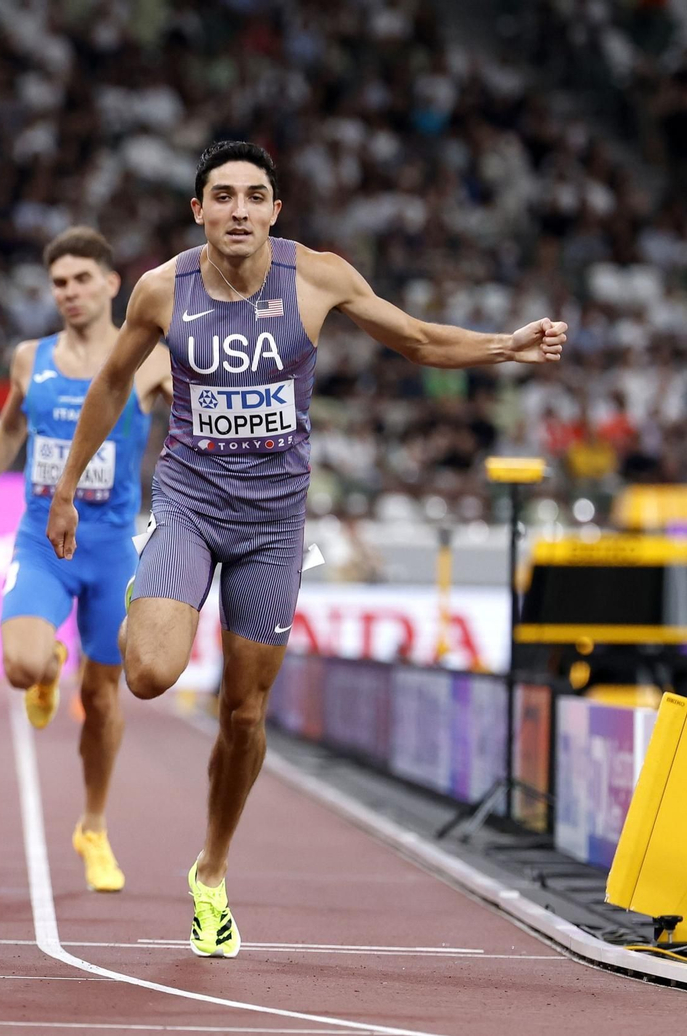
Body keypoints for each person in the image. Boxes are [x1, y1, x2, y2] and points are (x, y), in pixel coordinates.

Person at [45, 141, 565, 958]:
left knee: (245, 714)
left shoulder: (317, 276)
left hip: (275, 527)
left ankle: (210, 872)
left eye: (255, 196)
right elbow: (111, 383)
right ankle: (145, 604)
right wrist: (69, 486)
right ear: (199, 211)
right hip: (189, 502)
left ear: (275, 211)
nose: (239, 210)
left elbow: (418, 340)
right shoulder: (159, 289)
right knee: (147, 673)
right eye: (223, 197)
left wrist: (507, 346)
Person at [0, 226, 170, 894]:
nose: (68, 293)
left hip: (109, 549)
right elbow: (11, 427)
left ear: (111, 284)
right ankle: (47, 671)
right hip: (42, 542)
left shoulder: (151, 360)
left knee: (104, 698)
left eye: (81, 280)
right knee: (21, 664)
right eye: (59, 283)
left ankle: (94, 827)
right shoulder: (29, 358)